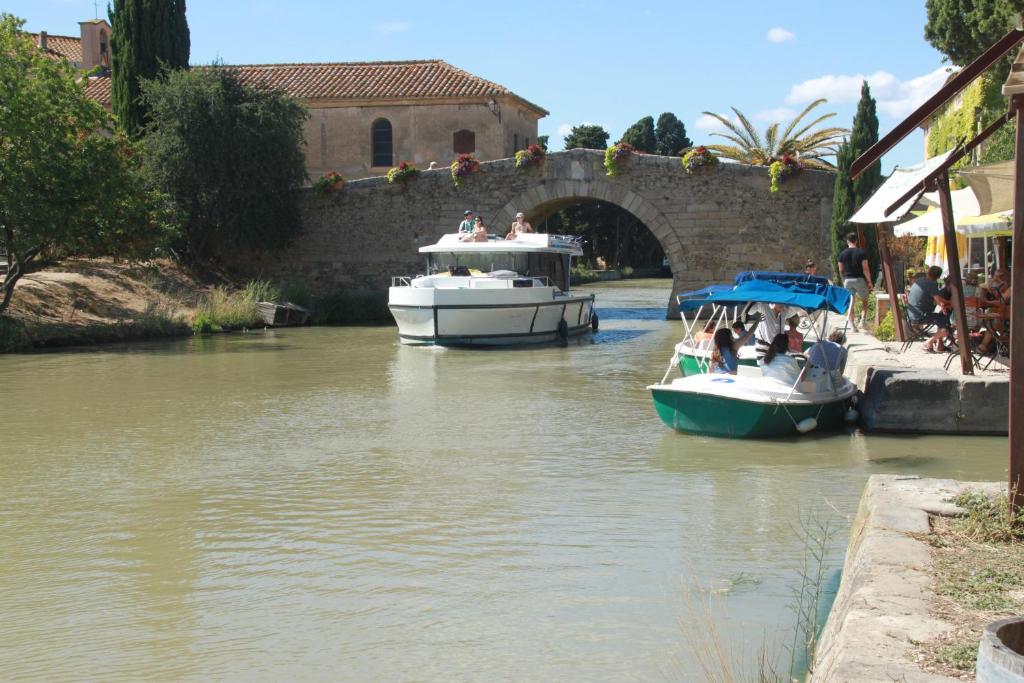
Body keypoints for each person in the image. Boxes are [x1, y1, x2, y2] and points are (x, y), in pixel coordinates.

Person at [907, 265, 951, 352]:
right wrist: (951, 303)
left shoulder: (920, 280)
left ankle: (940, 346)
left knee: (941, 318)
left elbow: (936, 299)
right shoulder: (931, 284)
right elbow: (939, 301)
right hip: (920, 316)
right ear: (938, 276)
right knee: (945, 322)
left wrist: (945, 303)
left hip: (911, 315)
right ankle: (929, 342)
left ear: (928, 272)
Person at [837, 232, 870, 331]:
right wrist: (869, 281)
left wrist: (843, 280)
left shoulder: (842, 254)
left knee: (851, 302)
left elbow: (840, 270)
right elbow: (865, 269)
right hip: (859, 279)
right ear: (856, 241)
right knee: (864, 301)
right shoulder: (861, 253)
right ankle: (862, 321)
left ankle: (852, 326)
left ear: (847, 241)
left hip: (847, 280)